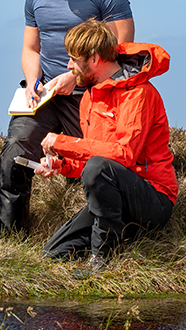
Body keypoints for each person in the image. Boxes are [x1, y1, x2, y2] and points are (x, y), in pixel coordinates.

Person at [0, 0, 135, 235]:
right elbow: (30, 48)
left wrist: (76, 76)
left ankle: (110, 236)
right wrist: (32, 81)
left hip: (91, 95)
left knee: (94, 169)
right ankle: (5, 242)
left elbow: (123, 52)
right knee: (14, 155)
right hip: (46, 95)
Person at [34, 18, 177, 275]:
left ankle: (103, 259)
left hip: (154, 198)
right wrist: (62, 165)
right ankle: (124, 235)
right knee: (53, 255)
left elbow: (124, 155)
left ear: (95, 59)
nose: (68, 66)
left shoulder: (139, 93)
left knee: (99, 167)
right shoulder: (90, 95)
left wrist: (64, 142)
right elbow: (96, 158)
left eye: (73, 59)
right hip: (115, 196)